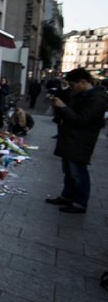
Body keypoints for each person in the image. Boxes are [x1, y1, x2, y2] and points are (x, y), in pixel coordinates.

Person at [46, 68, 108, 213]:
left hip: (81, 141)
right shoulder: (82, 95)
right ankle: (67, 196)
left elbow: (81, 120)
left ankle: (80, 202)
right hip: (71, 139)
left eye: (73, 85)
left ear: (83, 82)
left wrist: (64, 107)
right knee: (69, 171)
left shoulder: (97, 99)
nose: (72, 89)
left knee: (77, 172)